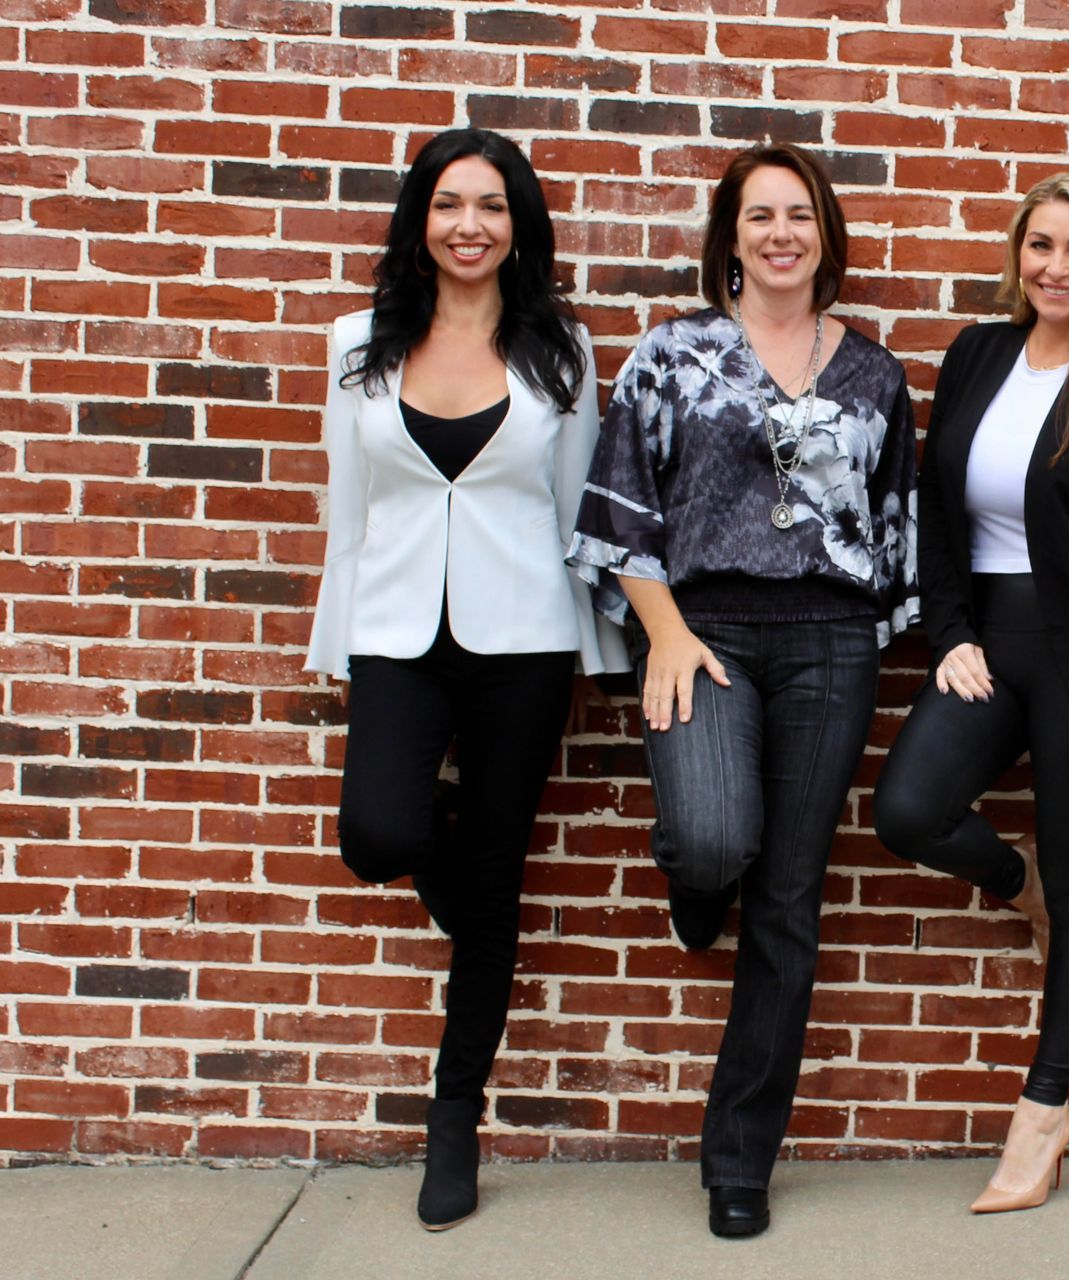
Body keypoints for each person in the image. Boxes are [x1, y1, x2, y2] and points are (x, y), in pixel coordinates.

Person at [567, 142, 916, 1239]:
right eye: (760, 215)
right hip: (703, 628)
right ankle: (695, 884)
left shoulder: (873, 372)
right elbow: (620, 507)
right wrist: (661, 627)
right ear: (731, 236)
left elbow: (895, 524)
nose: (781, 234)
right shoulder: (674, 353)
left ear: (825, 234)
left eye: (799, 215)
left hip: (829, 637)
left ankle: (738, 1156)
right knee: (716, 840)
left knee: (790, 900)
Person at [306, 128, 627, 1230]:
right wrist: (335, 640)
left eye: (492, 205)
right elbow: (346, 510)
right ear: (420, 218)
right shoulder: (359, 343)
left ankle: (455, 1118)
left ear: (519, 223)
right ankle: (443, 841)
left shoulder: (562, 351)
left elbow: (580, 507)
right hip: (398, 629)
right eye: (450, 204)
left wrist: (599, 653)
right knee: (378, 835)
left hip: (524, 639)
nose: (470, 225)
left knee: (492, 892)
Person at [872, 171, 1069, 1215]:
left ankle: (1044, 1112)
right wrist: (948, 630)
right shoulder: (977, 354)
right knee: (907, 808)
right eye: (1041, 245)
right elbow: (935, 510)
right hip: (988, 640)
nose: (1056, 267)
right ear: (1018, 253)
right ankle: (1017, 881)